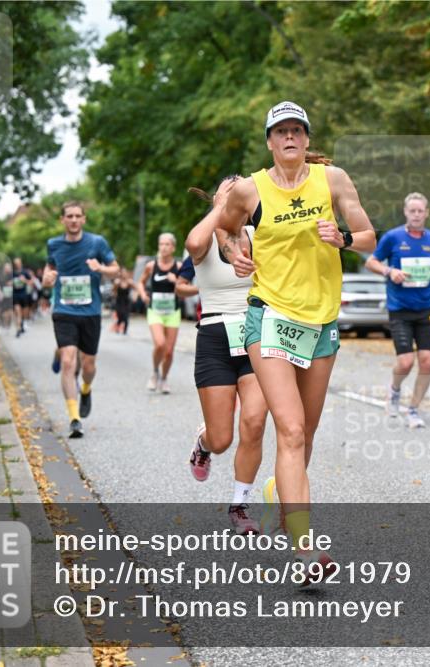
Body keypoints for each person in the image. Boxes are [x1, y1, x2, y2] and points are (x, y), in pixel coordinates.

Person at [215, 101, 376, 579]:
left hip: (321, 323)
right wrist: (235, 253)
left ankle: (276, 495)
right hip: (268, 317)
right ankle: (305, 553)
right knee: (289, 430)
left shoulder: (333, 180)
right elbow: (223, 231)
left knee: (304, 437)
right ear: (269, 141)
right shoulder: (250, 189)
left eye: (296, 131)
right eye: (280, 131)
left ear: (307, 140)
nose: (289, 138)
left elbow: (369, 236)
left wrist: (343, 238)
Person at [184, 176, 266, 535]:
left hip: (255, 335)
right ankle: (203, 443)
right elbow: (192, 243)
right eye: (227, 187)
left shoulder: (258, 236)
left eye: (241, 187)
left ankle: (239, 504)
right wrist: (220, 208)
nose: (235, 190)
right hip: (215, 337)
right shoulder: (206, 237)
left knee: (254, 421)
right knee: (222, 439)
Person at [364, 192, 430, 428]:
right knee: (406, 362)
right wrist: (390, 272)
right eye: (412, 211)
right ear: (406, 212)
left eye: (420, 211)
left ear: (426, 213)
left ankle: (414, 409)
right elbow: (371, 262)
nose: (416, 215)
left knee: (427, 362)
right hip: (400, 309)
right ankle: (394, 390)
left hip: (424, 309)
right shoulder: (393, 237)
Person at [42, 201, 119, 438]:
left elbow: (116, 269)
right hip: (64, 310)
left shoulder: (97, 242)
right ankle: (74, 418)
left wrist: (100, 268)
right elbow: (48, 270)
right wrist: (47, 278)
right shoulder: (54, 244)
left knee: (88, 365)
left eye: (78, 216)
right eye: (69, 216)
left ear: (84, 219)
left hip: (91, 312)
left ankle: (86, 388)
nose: (74, 220)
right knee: (68, 361)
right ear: (62, 220)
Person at [136, 233, 182, 394]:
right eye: (161, 244)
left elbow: (185, 288)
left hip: (172, 311)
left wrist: (175, 280)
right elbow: (140, 283)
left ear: (173, 247)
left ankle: (164, 378)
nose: (163, 247)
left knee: (169, 351)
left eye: (167, 244)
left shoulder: (179, 266)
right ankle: (155, 372)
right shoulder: (151, 265)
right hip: (155, 310)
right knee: (160, 344)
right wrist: (142, 295)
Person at [11, 258, 33, 337]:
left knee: (24, 313)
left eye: (18, 263)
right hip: (15, 295)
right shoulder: (13, 273)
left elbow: (31, 282)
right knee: (18, 312)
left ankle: (22, 324)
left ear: (21, 263)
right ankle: (18, 329)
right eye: (15, 263)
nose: (17, 265)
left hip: (23, 295)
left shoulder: (25, 272)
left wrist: (25, 281)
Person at [111, 267, 134, 335]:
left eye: (125, 272)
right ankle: (117, 328)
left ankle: (125, 331)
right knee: (120, 316)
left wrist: (135, 295)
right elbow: (113, 291)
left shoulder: (129, 282)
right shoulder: (117, 282)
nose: (124, 274)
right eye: (122, 272)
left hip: (126, 301)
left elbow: (137, 288)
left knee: (126, 317)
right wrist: (115, 288)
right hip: (119, 301)